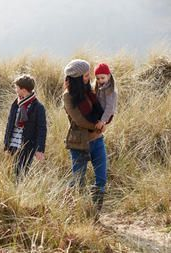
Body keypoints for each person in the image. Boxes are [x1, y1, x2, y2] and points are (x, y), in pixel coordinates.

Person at [63, 59, 108, 213]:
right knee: (78, 180)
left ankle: (95, 213)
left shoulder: (90, 92)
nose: (89, 77)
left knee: (101, 178)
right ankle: (70, 209)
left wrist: (104, 122)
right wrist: (98, 126)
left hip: (97, 141)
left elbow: (102, 110)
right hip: (79, 143)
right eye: (86, 75)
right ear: (77, 78)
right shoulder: (68, 97)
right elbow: (79, 119)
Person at [4, 74, 47, 182]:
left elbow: (42, 129)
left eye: (17, 88)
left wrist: (39, 149)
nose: (15, 90)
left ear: (23, 90)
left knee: (21, 173)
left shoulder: (38, 107)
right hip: (12, 145)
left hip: (27, 146)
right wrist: (6, 145)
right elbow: (9, 125)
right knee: (10, 173)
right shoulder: (15, 104)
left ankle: (18, 195)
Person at [93, 63, 118, 130]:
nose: (100, 80)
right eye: (98, 78)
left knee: (96, 128)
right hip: (101, 111)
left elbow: (110, 107)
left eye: (102, 78)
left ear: (108, 76)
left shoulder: (109, 90)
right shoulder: (100, 86)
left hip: (107, 115)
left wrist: (102, 121)